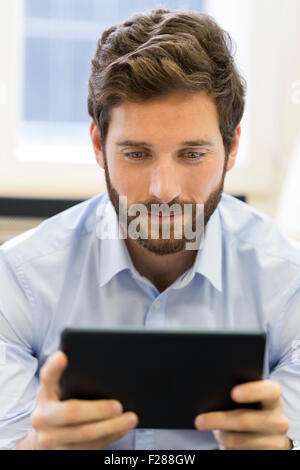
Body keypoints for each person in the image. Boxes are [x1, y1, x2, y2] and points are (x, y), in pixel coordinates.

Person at [0, 8, 299, 451]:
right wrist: (37, 448)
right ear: (99, 146)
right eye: (137, 154)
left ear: (231, 148)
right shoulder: (18, 279)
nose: (164, 191)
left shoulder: (289, 284)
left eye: (192, 154)